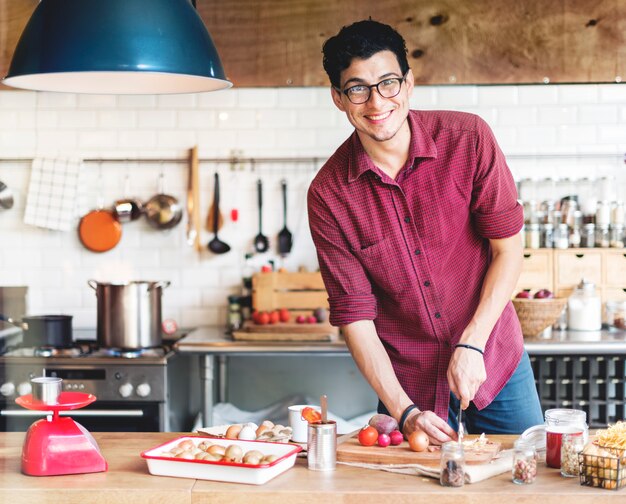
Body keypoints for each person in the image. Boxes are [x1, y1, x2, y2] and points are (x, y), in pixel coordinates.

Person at [307, 19, 543, 444]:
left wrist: (471, 344)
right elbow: (356, 319)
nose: (376, 102)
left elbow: (508, 251)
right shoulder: (329, 195)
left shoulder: (468, 139)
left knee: (525, 478)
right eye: (357, 88)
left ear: (409, 83)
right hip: (410, 388)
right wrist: (405, 411)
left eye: (388, 83)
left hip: (494, 358)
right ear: (338, 99)